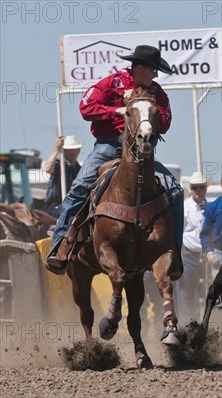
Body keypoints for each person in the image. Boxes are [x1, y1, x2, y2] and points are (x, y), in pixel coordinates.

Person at [46, 45, 184, 276]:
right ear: (140, 68)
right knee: (80, 187)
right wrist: (117, 110)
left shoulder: (156, 93)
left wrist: (148, 111)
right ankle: (61, 243)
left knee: (176, 191)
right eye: (154, 70)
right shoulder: (111, 83)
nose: (156, 75)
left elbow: (166, 123)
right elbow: (86, 107)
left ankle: (173, 250)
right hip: (108, 146)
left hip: (142, 150)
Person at [175, 171, 208, 322]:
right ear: (191, 188)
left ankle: (200, 322)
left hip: (206, 255)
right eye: (196, 187)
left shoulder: (210, 208)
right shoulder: (184, 207)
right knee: (186, 292)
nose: (199, 191)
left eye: (202, 187)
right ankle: (186, 324)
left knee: (203, 292)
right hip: (187, 254)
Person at [43, 135, 83, 217]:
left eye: (74, 149)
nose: (72, 152)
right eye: (68, 150)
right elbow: (48, 168)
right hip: (55, 206)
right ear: (63, 151)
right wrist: (56, 149)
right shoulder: (58, 165)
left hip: (74, 204)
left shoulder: (81, 170)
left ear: (78, 151)